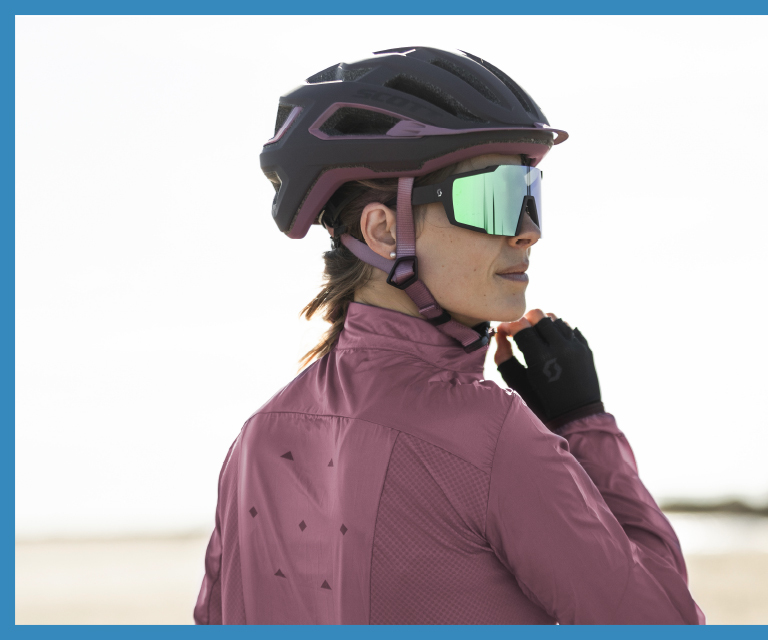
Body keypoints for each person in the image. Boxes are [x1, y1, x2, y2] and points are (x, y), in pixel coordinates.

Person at [194, 46, 705, 625]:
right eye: (496, 200)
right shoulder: (495, 438)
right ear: (385, 231)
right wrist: (584, 423)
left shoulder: (257, 439)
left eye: (529, 194)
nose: (528, 233)